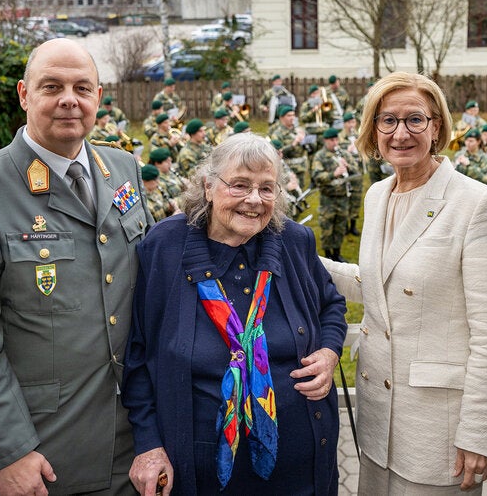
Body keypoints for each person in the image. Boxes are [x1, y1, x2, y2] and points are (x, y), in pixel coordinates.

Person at [0, 38, 153, 496]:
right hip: (43, 454)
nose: (69, 99)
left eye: (82, 87)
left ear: (97, 97)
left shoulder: (123, 168)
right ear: (24, 94)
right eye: (52, 86)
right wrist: (8, 451)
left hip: (133, 443)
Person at [122, 133, 347, 495]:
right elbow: (136, 354)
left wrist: (330, 351)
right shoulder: (164, 248)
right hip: (200, 469)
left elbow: (331, 304)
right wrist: (148, 443)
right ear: (209, 187)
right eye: (239, 185)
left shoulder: (293, 241)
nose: (254, 200)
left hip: (300, 465)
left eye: (267, 188)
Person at [322, 71, 487, 493]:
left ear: (437, 126)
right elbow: (375, 285)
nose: (400, 133)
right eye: (388, 120)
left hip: (437, 431)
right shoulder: (377, 195)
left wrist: (478, 432)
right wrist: (296, 251)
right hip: (377, 419)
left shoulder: (477, 204)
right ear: (374, 129)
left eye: (415, 120)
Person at [311, 127, 361, 261]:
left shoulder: (343, 154)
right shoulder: (320, 156)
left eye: (336, 139)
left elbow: (357, 170)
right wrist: (333, 174)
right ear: (325, 141)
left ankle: (337, 253)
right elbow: (317, 176)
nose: (335, 143)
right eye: (331, 140)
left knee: (340, 227)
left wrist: (348, 166)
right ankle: (328, 255)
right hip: (328, 199)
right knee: (327, 228)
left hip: (343, 198)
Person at [268, 104, 308, 188]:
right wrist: (294, 144)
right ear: (282, 118)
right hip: (287, 169)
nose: (292, 117)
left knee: (300, 192)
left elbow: (311, 149)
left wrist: (306, 140)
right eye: (289, 115)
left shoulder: (298, 130)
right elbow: (277, 153)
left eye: (293, 115)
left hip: (300, 167)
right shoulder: (277, 133)